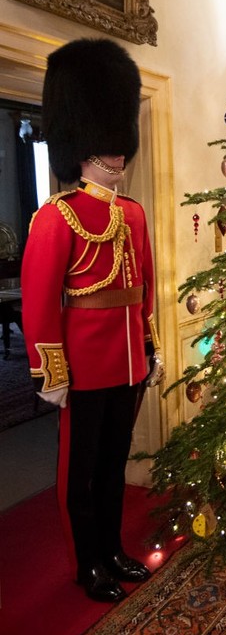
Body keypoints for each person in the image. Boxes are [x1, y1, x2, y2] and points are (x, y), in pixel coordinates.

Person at [21, 38, 164, 603]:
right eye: (110, 144)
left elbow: (143, 292)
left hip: (128, 362)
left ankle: (110, 549)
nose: (120, 155)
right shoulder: (56, 217)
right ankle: (88, 564)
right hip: (83, 367)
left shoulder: (132, 213)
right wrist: (50, 372)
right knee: (78, 476)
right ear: (86, 146)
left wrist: (149, 350)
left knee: (112, 467)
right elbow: (38, 303)